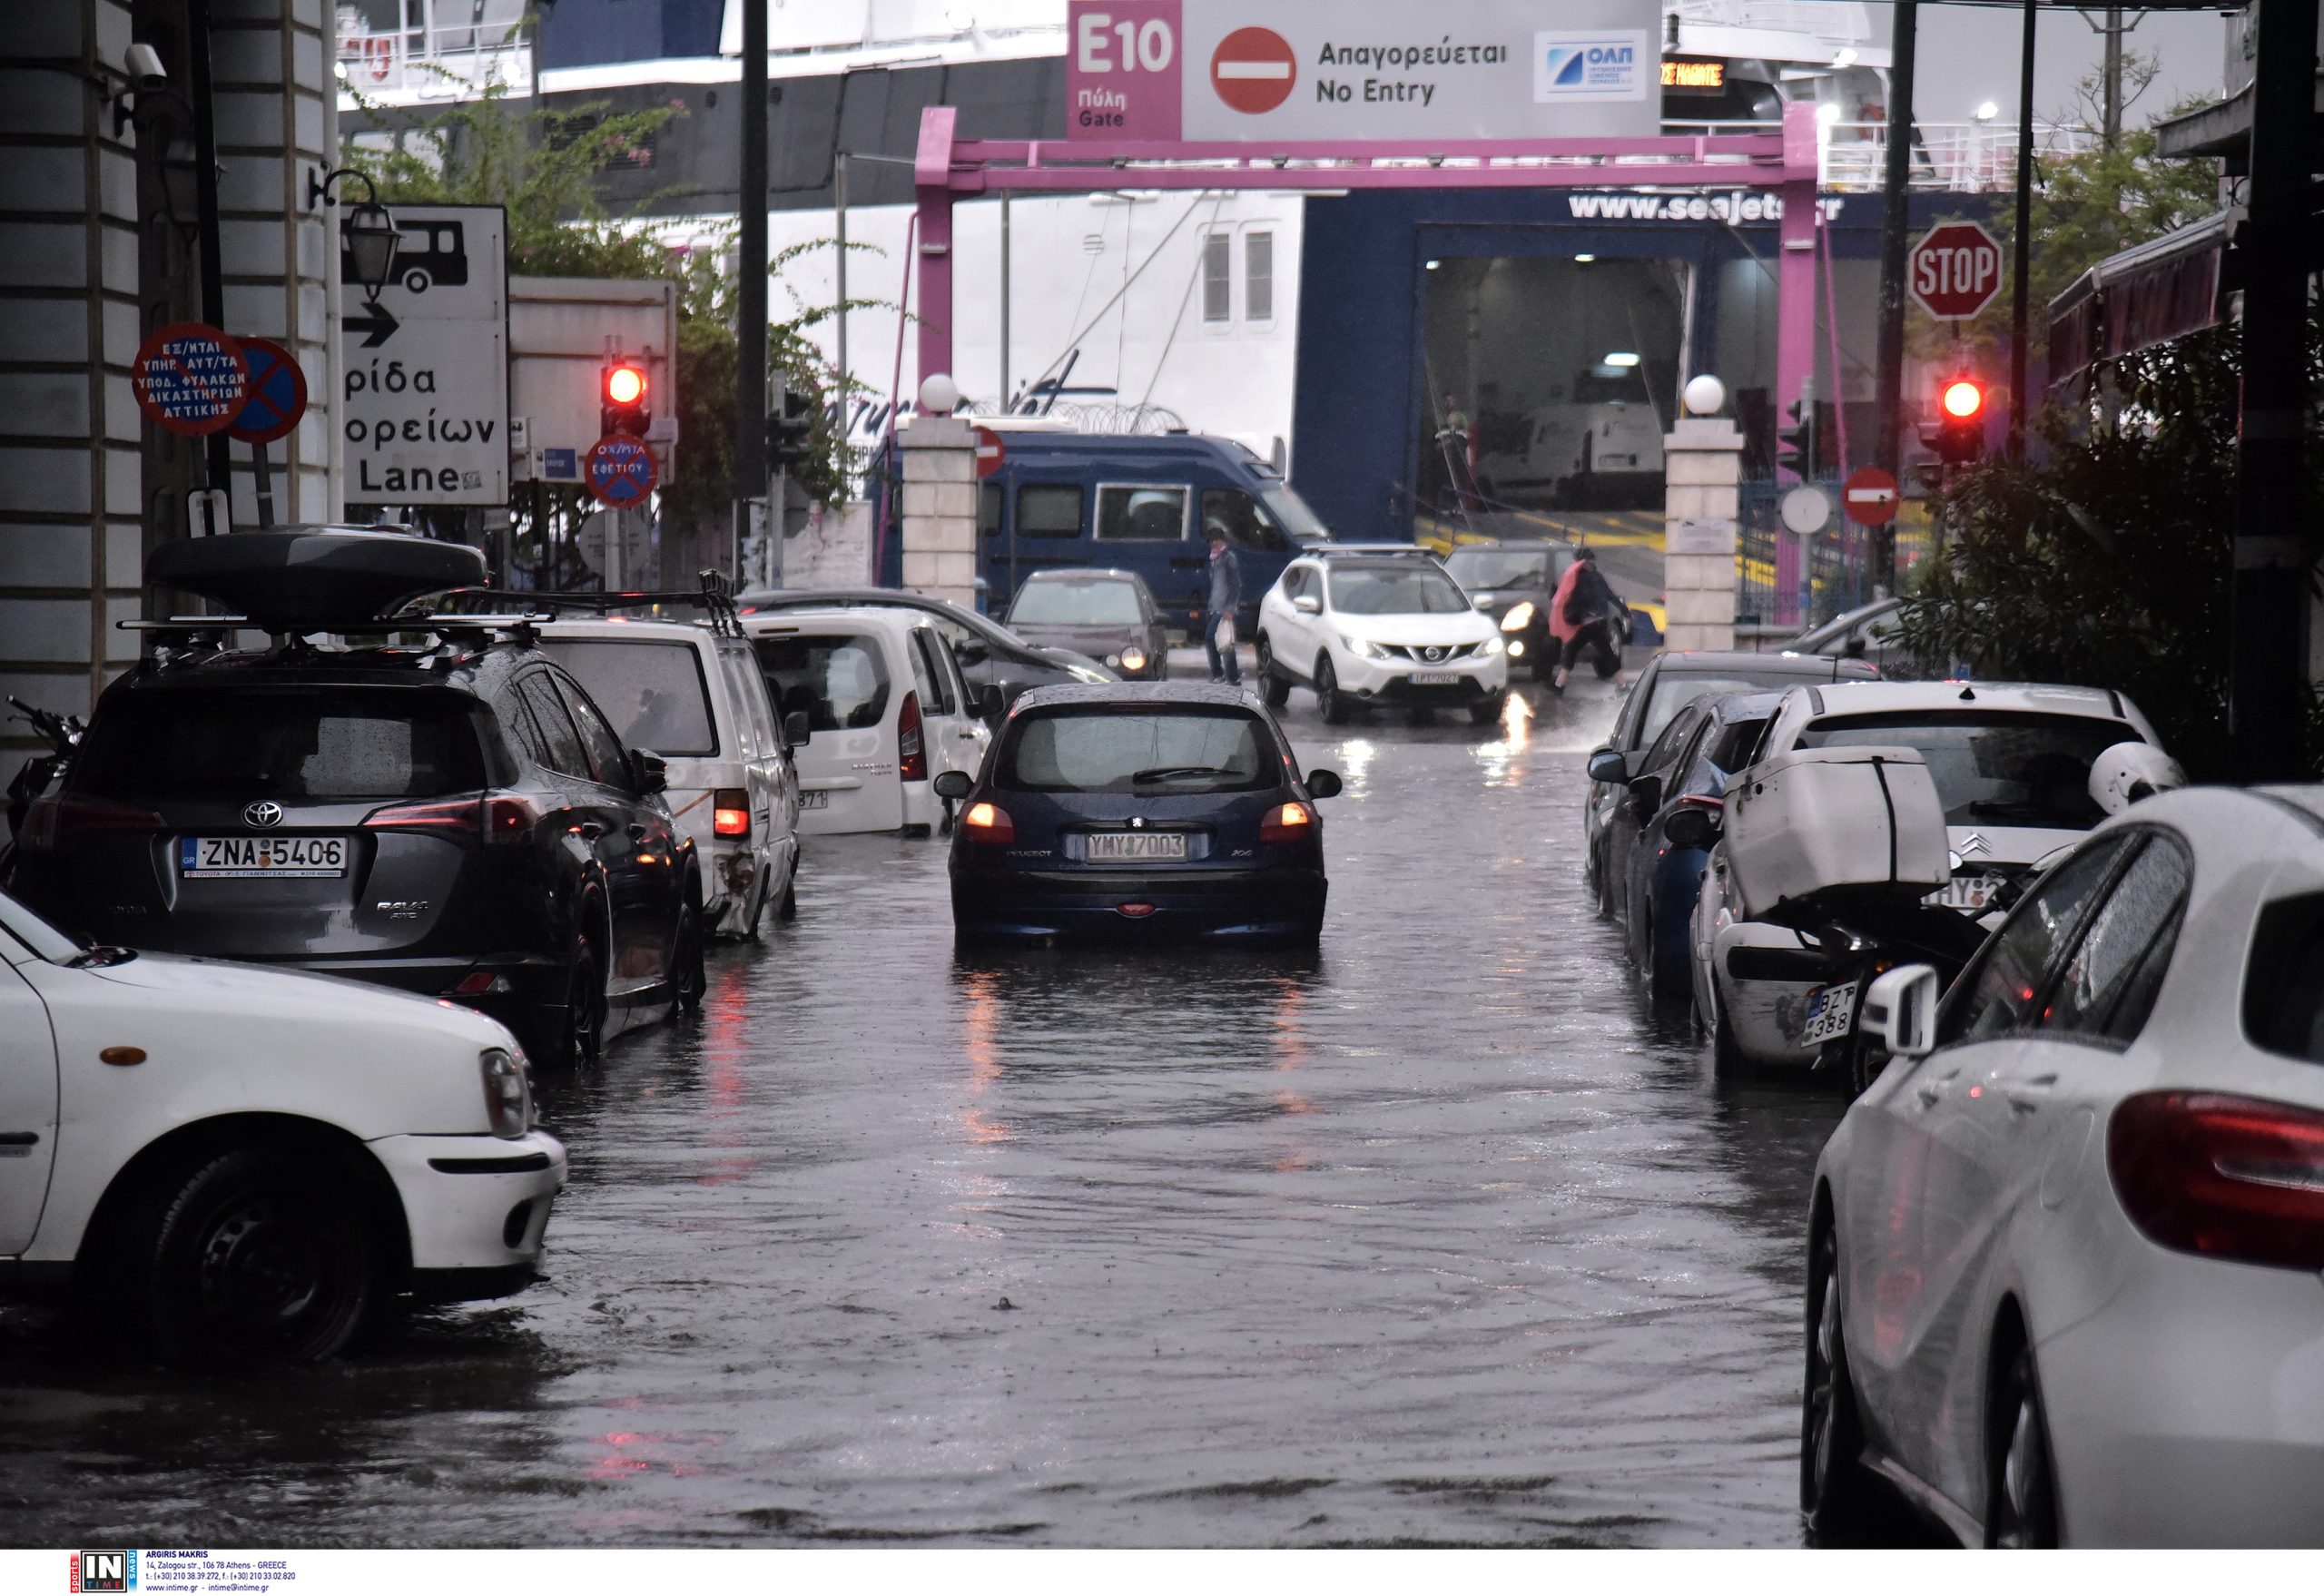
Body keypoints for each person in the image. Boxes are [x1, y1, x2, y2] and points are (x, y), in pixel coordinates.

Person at [1548, 547, 1630, 693]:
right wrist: (1624, 611)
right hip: (1599, 622)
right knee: (1607, 653)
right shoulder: (1597, 576)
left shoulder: (1576, 578)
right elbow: (1609, 595)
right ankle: (1622, 685)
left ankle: (1559, 686)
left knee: (1571, 651)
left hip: (1586, 624)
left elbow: (1571, 597)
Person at [1203, 523, 1243, 685]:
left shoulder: (1228, 559)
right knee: (1224, 641)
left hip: (1224, 608)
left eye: (1216, 541)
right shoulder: (1214, 559)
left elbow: (1236, 585)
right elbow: (1216, 587)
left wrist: (1230, 608)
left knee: (1214, 638)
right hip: (1215, 607)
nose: (1214, 544)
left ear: (1222, 541)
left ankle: (1220, 673)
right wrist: (1210, 606)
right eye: (1211, 541)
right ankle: (1232, 675)